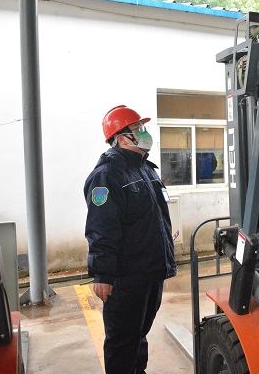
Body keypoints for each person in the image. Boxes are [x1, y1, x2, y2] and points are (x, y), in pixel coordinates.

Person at [84, 105, 177, 374]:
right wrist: (102, 274)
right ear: (122, 138)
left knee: (139, 335)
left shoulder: (146, 170)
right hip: (126, 278)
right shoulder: (107, 175)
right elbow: (102, 227)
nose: (145, 133)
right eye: (138, 129)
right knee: (123, 342)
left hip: (150, 272)